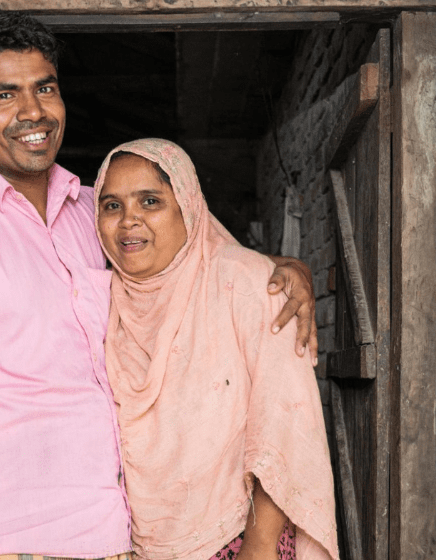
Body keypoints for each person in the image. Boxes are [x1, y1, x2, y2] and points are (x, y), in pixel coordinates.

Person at [0, 12, 320, 560]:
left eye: (45, 88)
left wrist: (284, 269)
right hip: (13, 542)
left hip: (118, 538)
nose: (32, 112)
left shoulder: (96, 212)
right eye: (4, 95)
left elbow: (195, 254)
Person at [94, 139, 338, 560]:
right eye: (111, 205)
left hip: (241, 538)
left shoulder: (245, 281)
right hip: (137, 548)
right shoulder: (103, 302)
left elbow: (284, 423)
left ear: (188, 206)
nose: (128, 220)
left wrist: (258, 548)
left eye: (149, 201)